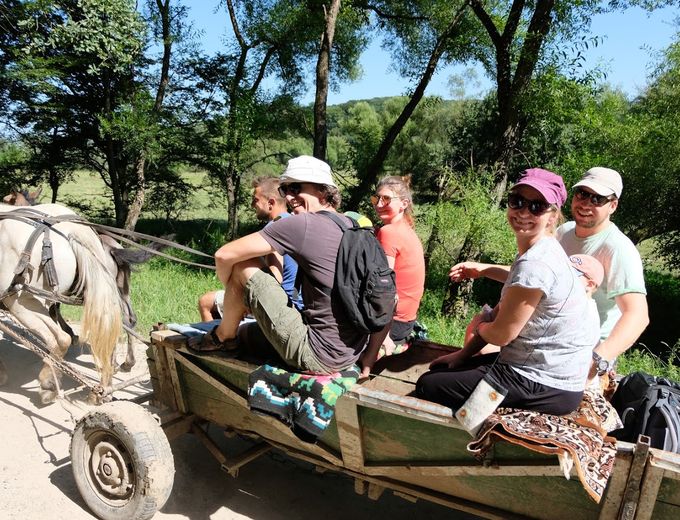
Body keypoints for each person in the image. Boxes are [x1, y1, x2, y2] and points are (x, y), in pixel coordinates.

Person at [416, 168, 599, 416]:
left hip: (542, 384)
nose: (523, 212)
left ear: (552, 216)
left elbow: (501, 334)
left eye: (537, 206)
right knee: (443, 372)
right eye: (517, 201)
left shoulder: (536, 263)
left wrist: (480, 326)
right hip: (548, 376)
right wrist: (462, 355)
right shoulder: (542, 250)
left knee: (428, 384)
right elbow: (502, 314)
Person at [449, 167, 649, 378]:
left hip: (581, 349)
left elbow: (637, 315)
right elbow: (536, 279)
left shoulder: (618, 249)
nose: (586, 204)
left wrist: (598, 359)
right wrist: (484, 270)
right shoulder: (565, 232)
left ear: (613, 205)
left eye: (597, 199)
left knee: (483, 340)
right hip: (544, 337)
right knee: (477, 332)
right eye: (582, 193)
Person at [191, 155, 375, 374]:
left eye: (296, 188)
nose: (289, 196)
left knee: (242, 266)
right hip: (350, 350)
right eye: (285, 189)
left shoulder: (302, 224)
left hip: (317, 353)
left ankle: (222, 338)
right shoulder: (352, 223)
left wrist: (235, 288)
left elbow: (224, 255)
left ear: (323, 191)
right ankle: (232, 335)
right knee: (247, 334)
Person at [197, 177, 301, 321]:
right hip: (295, 299)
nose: (253, 205)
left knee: (205, 301)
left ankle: (219, 341)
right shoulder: (291, 221)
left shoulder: (275, 228)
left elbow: (276, 277)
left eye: (255, 200)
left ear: (271, 203)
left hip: (285, 304)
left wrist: (238, 295)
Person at [370, 175, 425, 356]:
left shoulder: (389, 232)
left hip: (392, 324)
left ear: (403, 203)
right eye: (376, 198)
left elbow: (384, 288)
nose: (379, 204)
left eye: (386, 199)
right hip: (405, 322)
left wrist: (383, 336)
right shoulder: (406, 229)